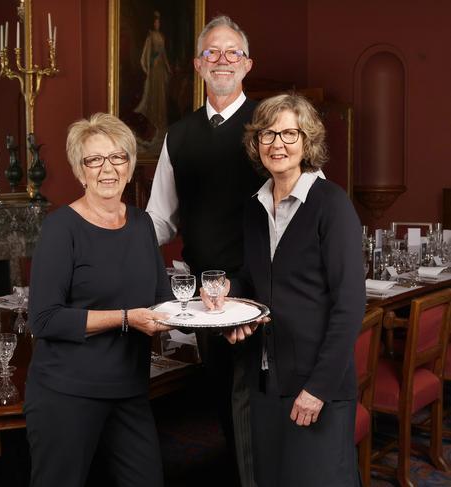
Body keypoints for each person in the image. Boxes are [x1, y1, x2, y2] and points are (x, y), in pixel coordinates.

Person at [209, 93, 365, 486]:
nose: (277, 143)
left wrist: (318, 388)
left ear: (307, 140)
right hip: (267, 379)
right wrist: (231, 290)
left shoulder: (332, 204)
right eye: (268, 133)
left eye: (289, 133)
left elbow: (349, 305)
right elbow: (255, 277)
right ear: (256, 142)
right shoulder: (255, 207)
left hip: (316, 384)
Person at [25, 113, 173, 487]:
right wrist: (124, 318)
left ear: (130, 165)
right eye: (95, 160)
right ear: (80, 171)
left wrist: (209, 310)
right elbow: (43, 319)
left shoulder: (141, 225)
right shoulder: (61, 228)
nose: (108, 169)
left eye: (117, 158)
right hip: (66, 392)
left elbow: (162, 300)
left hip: (130, 388)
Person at [146, 15, 262, 487]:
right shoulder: (179, 135)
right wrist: (108, 238)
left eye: (232, 51)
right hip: (203, 297)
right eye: (211, 52)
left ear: (247, 64)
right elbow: (159, 218)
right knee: (222, 399)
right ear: (197, 65)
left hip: (259, 287)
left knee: (251, 400)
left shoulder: (268, 127)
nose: (222, 60)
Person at [134, 11, 171, 144]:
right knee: (154, 94)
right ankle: (153, 122)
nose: (157, 24)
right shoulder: (150, 36)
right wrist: (148, 67)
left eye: (158, 22)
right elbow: (146, 53)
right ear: (152, 23)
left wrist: (168, 67)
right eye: (155, 22)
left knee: (161, 94)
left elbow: (164, 54)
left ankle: (161, 123)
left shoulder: (161, 36)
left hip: (160, 69)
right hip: (154, 69)